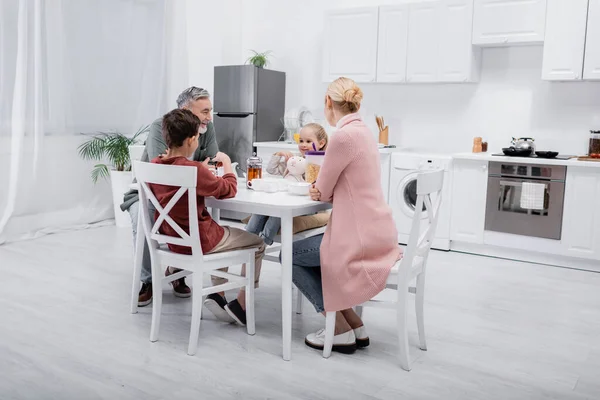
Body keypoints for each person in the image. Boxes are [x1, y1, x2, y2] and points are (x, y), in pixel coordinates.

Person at [286, 77, 402, 354]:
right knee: (307, 252)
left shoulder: (343, 136)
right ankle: (352, 322)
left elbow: (323, 189)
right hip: (379, 231)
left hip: (357, 238)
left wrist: (319, 189)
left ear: (329, 102)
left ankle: (337, 327)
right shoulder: (363, 132)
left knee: (289, 255)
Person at [149, 108, 266, 326]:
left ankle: (218, 295)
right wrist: (228, 163)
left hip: (173, 240)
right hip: (201, 241)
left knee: (222, 232)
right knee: (257, 243)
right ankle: (241, 305)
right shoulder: (193, 170)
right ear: (192, 140)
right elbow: (228, 189)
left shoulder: (155, 164)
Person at [120, 87, 219, 308]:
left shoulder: (207, 127)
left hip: (188, 193)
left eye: (210, 111)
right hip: (151, 192)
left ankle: (176, 271)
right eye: (204, 111)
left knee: (195, 221)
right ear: (185, 110)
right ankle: (148, 281)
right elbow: (162, 170)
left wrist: (198, 167)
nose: (209, 117)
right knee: (141, 217)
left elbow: (214, 159)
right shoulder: (161, 126)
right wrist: (199, 167)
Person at [245, 123, 328, 245]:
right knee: (264, 208)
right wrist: (278, 155)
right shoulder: (293, 161)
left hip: (305, 206)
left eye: (309, 141)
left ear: (321, 143)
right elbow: (271, 170)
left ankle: (263, 242)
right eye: (301, 141)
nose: (303, 145)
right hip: (286, 200)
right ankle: (248, 240)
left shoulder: (321, 163)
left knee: (278, 210)